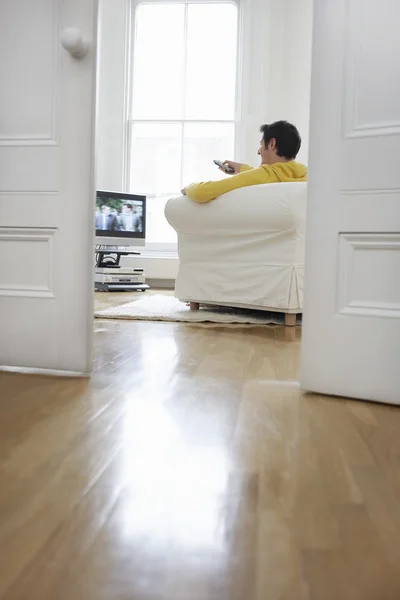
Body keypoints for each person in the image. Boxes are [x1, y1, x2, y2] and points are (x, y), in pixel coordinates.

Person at [181, 120, 307, 204]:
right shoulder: (305, 174)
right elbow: (273, 175)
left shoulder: (263, 175)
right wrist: (242, 169)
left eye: (261, 145)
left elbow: (202, 192)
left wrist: (188, 188)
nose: (259, 152)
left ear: (272, 144)